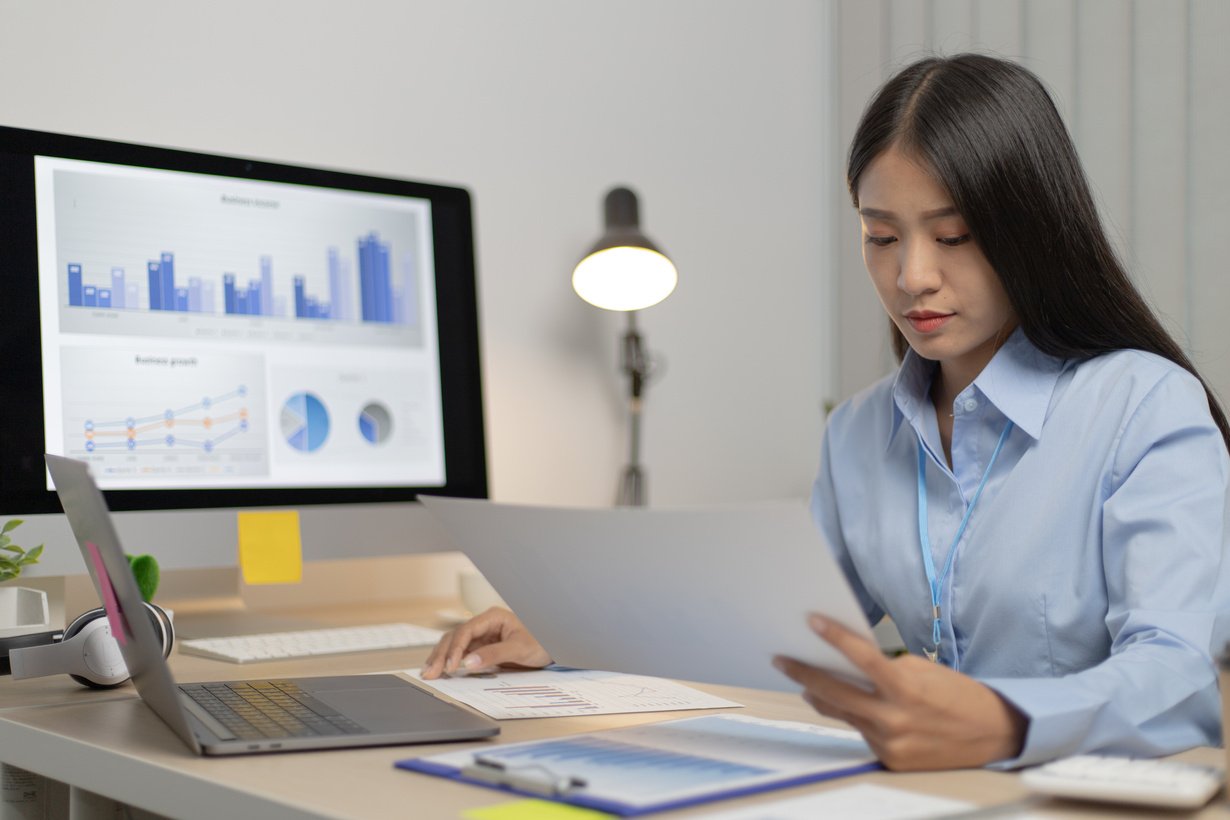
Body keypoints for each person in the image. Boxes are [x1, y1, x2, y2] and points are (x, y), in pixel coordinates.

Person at [424, 53, 1230, 771]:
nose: (913, 275)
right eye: (882, 238)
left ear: (1033, 232)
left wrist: (1006, 721)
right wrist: (570, 632)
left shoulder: (1143, 407)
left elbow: (1175, 677)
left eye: (953, 236)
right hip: (923, 796)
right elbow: (766, 631)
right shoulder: (859, 431)